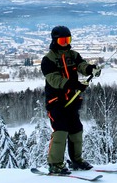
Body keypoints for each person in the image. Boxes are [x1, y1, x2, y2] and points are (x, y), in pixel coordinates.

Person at [41, 25, 101, 174]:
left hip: (72, 100)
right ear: (55, 41)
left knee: (76, 130)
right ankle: (55, 164)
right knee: (60, 131)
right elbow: (54, 79)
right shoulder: (48, 60)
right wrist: (73, 84)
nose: (66, 43)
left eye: (68, 39)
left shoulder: (73, 55)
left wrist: (90, 69)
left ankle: (76, 160)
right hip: (56, 102)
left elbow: (81, 65)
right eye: (62, 40)